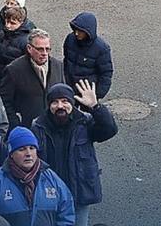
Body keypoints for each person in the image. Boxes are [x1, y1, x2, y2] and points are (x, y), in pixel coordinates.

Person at [31, 82, 117, 226]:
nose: (60, 106)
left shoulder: (85, 121)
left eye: (65, 101)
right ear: (48, 105)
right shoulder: (38, 126)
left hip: (79, 193)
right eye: (55, 102)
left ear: (72, 103)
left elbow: (109, 130)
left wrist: (95, 107)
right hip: (49, 195)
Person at [0, 127, 75, 225]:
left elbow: (66, 213)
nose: (28, 154)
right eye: (22, 149)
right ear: (11, 154)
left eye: (32, 148)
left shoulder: (51, 178)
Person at [0, 30, 64, 130]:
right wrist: (16, 124)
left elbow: (63, 94)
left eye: (47, 49)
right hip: (27, 130)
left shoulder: (58, 66)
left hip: (53, 128)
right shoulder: (14, 70)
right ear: (29, 48)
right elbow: (4, 101)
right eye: (40, 49)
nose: (44, 53)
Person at [62, 12, 113, 100]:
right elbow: (66, 60)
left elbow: (106, 73)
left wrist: (97, 95)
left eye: (80, 31)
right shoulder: (70, 39)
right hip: (69, 88)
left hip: (87, 92)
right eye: (75, 30)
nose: (77, 33)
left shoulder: (101, 49)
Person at [0, 0, 33, 89]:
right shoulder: (0, 36)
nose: (8, 26)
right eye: (7, 22)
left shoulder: (27, 42)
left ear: (21, 22)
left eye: (12, 23)